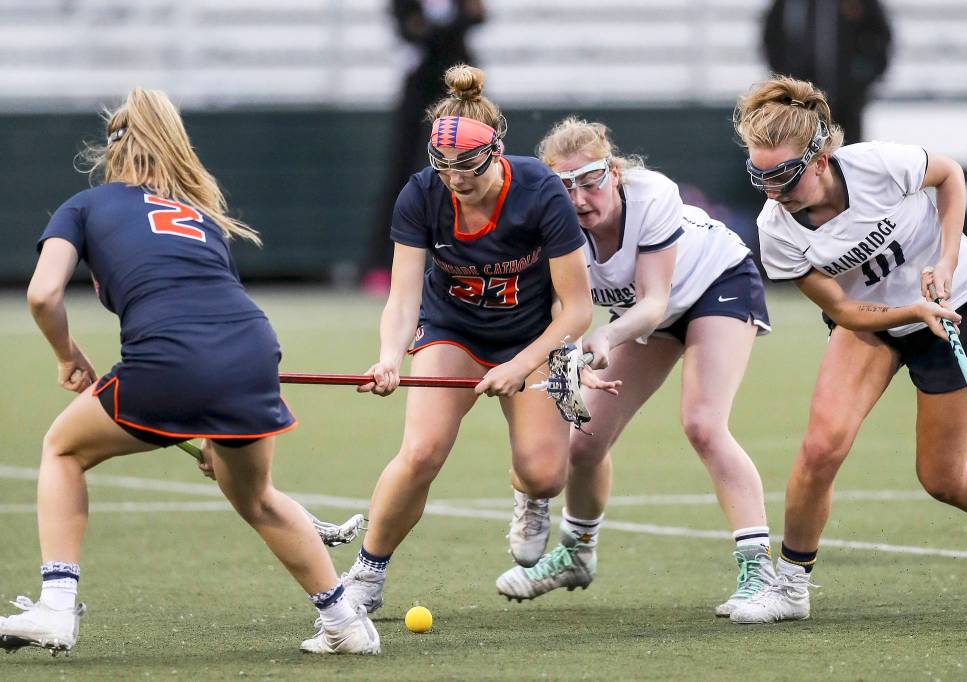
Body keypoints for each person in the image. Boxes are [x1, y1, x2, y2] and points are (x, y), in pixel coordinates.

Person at [0, 89, 378, 656]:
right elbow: (207, 307)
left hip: (171, 362)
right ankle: (347, 623)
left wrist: (66, 354)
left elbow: (42, 293)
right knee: (257, 497)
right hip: (253, 349)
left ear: (113, 151)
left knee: (62, 449)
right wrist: (208, 426)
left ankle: (56, 605)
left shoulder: (85, 205)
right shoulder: (200, 216)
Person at [728, 76, 967, 624]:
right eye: (758, 177)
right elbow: (843, 310)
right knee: (820, 448)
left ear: (819, 159)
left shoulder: (876, 165)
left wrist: (948, 260)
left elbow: (950, 175)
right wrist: (910, 311)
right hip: (873, 322)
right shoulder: (777, 232)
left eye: (783, 175)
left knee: (942, 478)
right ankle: (790, 587)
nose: (772, 190)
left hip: (954, 305)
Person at [494, 118, 776, 617]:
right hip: (644, 317)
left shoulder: (652, 196)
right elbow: (565, 308)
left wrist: (605, 335)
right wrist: (572, 354)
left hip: (717, 284)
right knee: (584, 441)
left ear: (615, 173)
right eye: (564, 186)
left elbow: (653, 301)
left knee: (703, 424)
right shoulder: (556, 224)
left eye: (590, 180)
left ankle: (760, 573)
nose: (579, 198)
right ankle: (577, 553)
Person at [340, 65, 594, 614]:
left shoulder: (541, 192)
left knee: (546, 474)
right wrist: (388, 358)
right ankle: (365, 574)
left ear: (496, 152)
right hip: (452, 329)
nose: (456, 179)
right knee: (422, 450)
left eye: (469, 168)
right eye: (445, 167)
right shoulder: (421, 193)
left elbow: (577, 309)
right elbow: (404, 297)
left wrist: (521, 365)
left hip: (533, 335)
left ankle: (529, 498)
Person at [362, 0, 486, 294]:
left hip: (461, 88)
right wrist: (448, 29)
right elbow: (409, 32)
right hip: (420, 88)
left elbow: (477, 18)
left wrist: (434, 31)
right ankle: (383, 265)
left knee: (471, 171)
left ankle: (479, 261)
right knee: (403, 177)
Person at [762, 0, 891, 143]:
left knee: (848, 156)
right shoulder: (788, 4)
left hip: (847, 106)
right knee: (806, 155)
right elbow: (772, 38)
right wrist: (788, 79)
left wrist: (860, 81)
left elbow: (880, 37)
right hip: (803, 105)